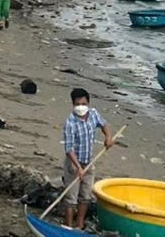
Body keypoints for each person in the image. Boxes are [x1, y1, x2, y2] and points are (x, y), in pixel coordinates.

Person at [62, 88, 114, 230]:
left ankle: (79, 225)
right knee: (71, 198)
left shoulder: (93, 114)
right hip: (74, 164)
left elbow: (104, 125)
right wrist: (78, 168)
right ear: (73, 105)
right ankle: (68, 226)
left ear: (88, 103)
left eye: (84, 104)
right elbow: (69, 149)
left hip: (89, 161)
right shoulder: (70, 123)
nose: (81, 107)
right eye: (78, 104)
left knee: (85, 195)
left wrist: (108, 137)